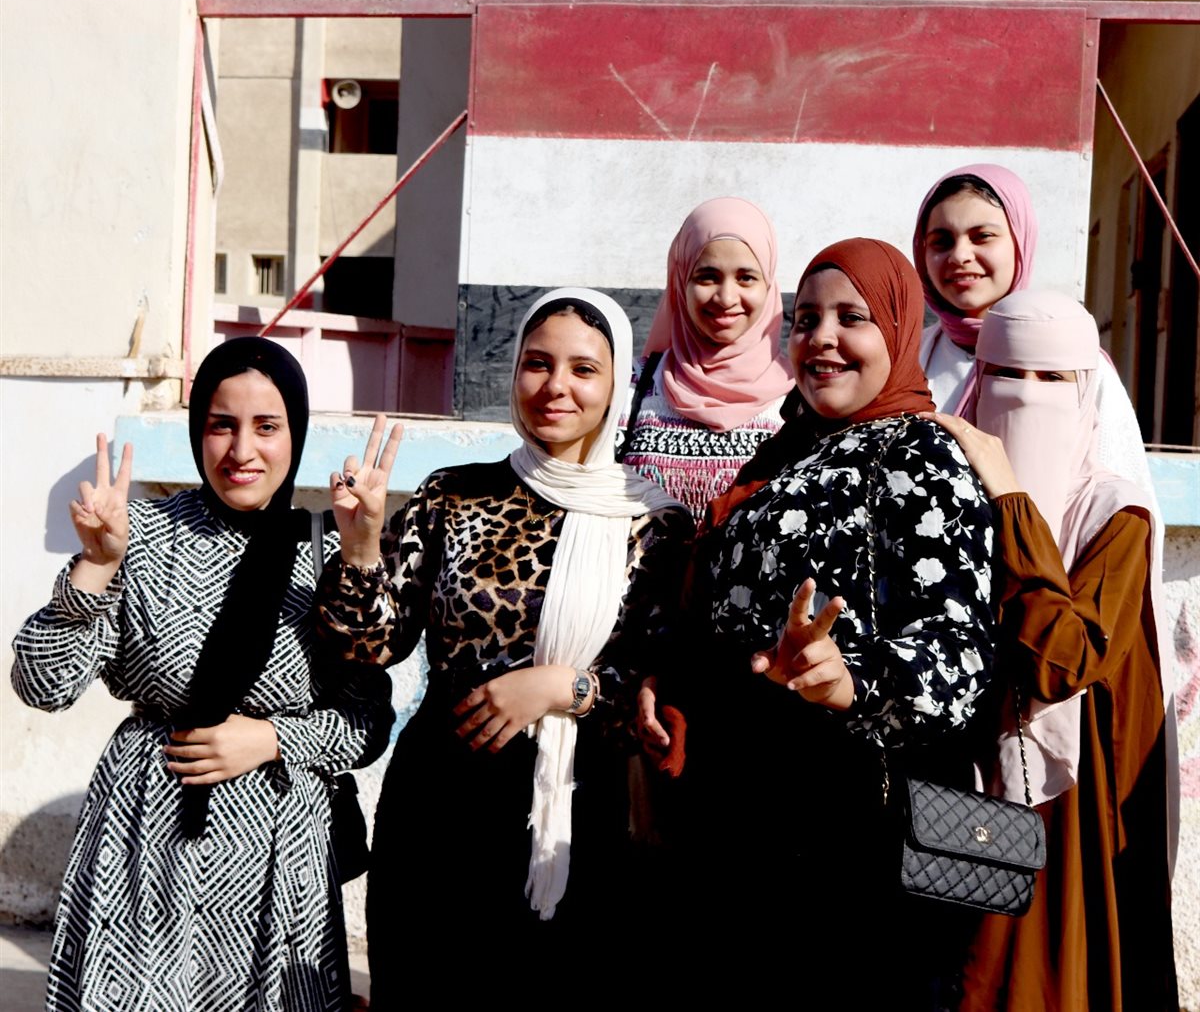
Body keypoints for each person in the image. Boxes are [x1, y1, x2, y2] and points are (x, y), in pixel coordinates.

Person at [316, 288, 691, 1002]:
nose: (556, 386)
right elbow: (370, 645)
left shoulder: (651, 521)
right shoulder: (452, 495)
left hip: (580, 810)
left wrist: (564, 687)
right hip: (442, 804)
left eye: (584, 369)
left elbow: (663, 684)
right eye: (537, 363)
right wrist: (360, 547)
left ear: (617, 385)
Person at [11, 336, 397, 1012]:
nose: (242, 450)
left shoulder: (327, 555)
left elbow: (367, 720)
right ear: (198, 431)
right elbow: (43, 685)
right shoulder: (138, 536)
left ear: (295, 435)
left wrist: (272, 738)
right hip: (144, 843)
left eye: (266, 426)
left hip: (277, 854)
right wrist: (95, 567)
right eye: (222, 424)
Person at [671, 238, 996, 1000]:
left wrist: (852, 679)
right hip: (755, 812)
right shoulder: (785, 453)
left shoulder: (921, 453)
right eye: (806, 318)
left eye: (852, 318)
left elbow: (960, 650)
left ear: (899, 328)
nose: (821, 338)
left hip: (862, 830)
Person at [922, 290, 1177, 1011]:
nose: (1026, 395)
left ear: (1086, 388)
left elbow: (1061, 661)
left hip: (1065, 803)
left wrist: (1011, 502)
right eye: (1006, 373)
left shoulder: (1113, 514)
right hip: (949, 783)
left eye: (1051, 378)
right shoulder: (941, 493)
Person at [913, 164, 1156, 506]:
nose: (960, 255)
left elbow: (1124, 502)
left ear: (1020, 241)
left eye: (982, 236)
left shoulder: (1074, 365)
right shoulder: (909, 358)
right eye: (941, 241)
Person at [619, 196, 793, 525]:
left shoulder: (800, 402)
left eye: (746, 277)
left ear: (769, 284)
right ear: (680, 281)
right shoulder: (628, 389)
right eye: (707, 277)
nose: (726, 298)